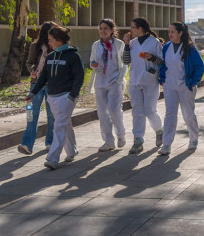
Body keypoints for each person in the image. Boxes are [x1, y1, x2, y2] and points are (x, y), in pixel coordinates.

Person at [27, 25, 84, 170]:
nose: (49, 43)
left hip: (67, 97)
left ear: (59, 40)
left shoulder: (73, 56)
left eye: (51, 40)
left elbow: (79, 77)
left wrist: (73, 95)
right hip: (52, 97)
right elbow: (43, 77)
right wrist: (33, 92)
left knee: (59, 126)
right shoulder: (51, 56)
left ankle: (52, 158)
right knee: (64, 124)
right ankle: (72, 151)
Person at [157, 22, 204, 155]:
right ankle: (166, 144)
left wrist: (193, 82)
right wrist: (162, 80)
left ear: (180, 33)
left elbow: (200, 66)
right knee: (170, 115)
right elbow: (161, 64)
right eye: (169, 32)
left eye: (173, 32)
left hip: (186, 87)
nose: (170, 34)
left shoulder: (189, 48)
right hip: (170, 86)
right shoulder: (166, 46)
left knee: (188, 114)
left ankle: (193, 138)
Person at [122, 17, 164, 154]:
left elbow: (162, 62)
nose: (130, 30)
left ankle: (159, 130)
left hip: (150, 81)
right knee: (137, 112)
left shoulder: (154, 42)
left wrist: (151, 57)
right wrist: (126, 45)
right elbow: (125, 60)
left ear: (140, 28)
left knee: (150, 110)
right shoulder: (132, 43)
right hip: (135, 81)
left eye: (132, 27)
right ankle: (138, 140)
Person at [89, 19, 127, 152]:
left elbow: (125, 64)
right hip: (100, 82)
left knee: (114, 110)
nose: (102, 31)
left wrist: (119, 79)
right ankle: (108, 141)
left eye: (105, 28)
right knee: (102, 112)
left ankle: (121, 135)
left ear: (112, 30)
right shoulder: (95, 45)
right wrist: (92, 64)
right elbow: (91, 60)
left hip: (114, 81)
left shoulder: (119, 44)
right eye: (100, 28)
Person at [18, 21, 55, 155]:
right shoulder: (35, 46)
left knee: (52, 116)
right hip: (36, 84)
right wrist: (32, 70)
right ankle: (27, 144)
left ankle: (50, 143)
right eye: (52, 31)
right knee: (31, 114)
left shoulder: (56, 47)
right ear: (46, 32)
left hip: (52, 85)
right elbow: (28, 63)